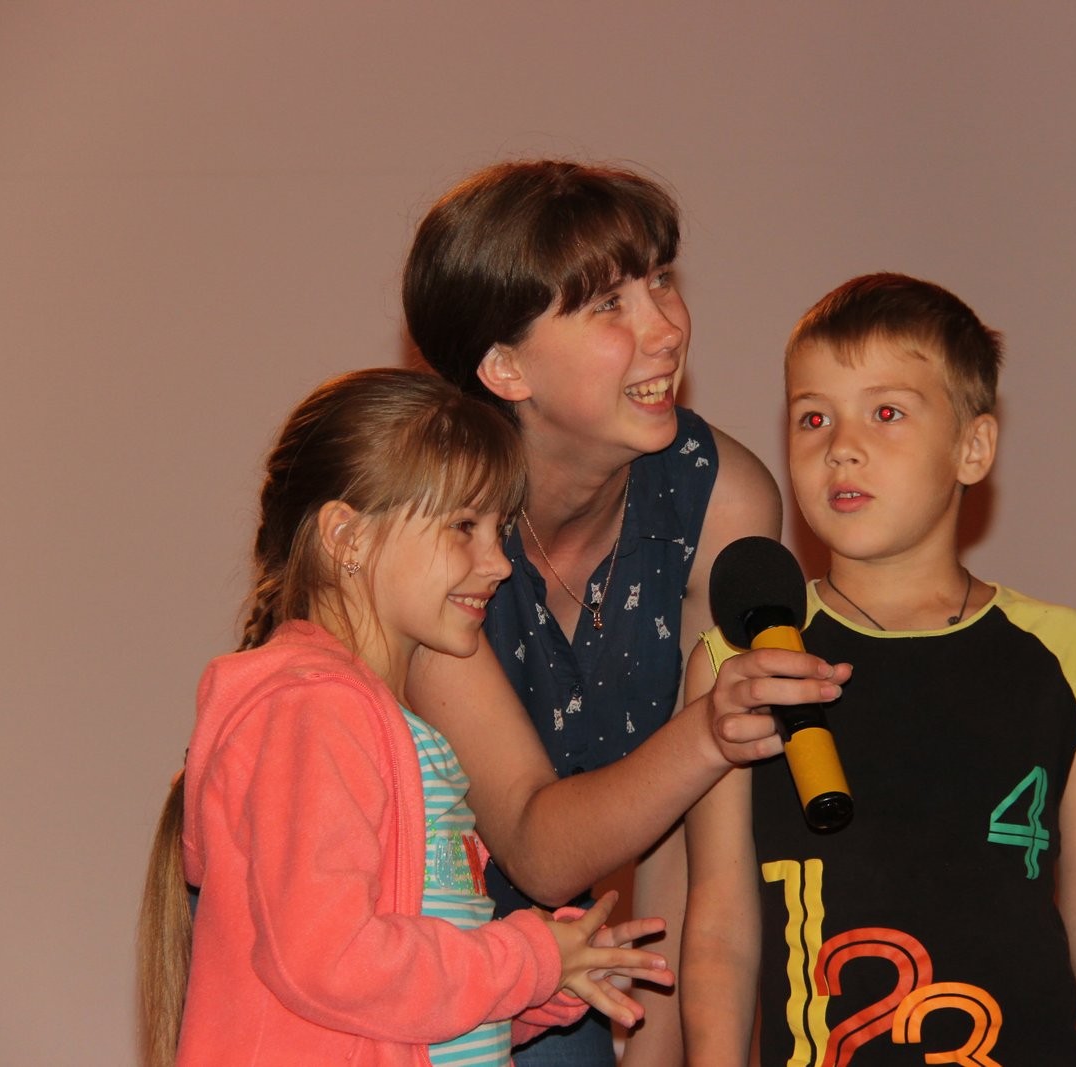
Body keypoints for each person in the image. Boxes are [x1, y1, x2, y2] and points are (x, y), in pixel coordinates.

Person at [682, 274, 1076, 1064]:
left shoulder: (1066, 655)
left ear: (972, 448)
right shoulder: (741, 665)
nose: (841, 446)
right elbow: (721, 930)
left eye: (886, 412)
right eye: (813, 417)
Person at [137, 369, 677, 1067]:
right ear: (347, 536)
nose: (498, 563)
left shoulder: (394, 728)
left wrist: (541, 984)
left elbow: (398, 1011)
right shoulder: (313, 710)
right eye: (464, 527)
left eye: (500, 530)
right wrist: (525, 957)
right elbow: (332, 961)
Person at [402, 159, 790, 1066]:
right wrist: (708, 731)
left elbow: (690, 839)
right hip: (389, 957)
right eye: (610, 304)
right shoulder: (423, 532)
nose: (667, 328)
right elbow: (537, 846)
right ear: (505, 366)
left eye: (661, 280)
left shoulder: (720, 502)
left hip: (565, 964)